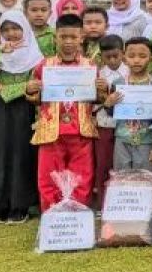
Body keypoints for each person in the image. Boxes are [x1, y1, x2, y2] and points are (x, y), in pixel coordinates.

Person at [26, 13, 103, 213]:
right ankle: (52, 217)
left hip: (81, 130)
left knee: (82, 177)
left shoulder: (91, 66)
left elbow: (98, 99)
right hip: (51, 131)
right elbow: (34, 99)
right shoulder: (44, 66)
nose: (68, 42)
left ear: (81, 38)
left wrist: (102, 89)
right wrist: (31, 89)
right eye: (63, 37)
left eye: (73, 37)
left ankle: (77, 218)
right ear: (55, 38)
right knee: (48, 176)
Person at [0, 10, 41, 222]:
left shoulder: (35, 56)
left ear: (24, 29)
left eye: (15, 28)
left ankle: (19, 206)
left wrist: (1, 87)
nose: (11, 33)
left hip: (24, 109)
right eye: (5, 30)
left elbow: (34, 85)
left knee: (20, 155)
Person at [106, 37, 152, 172]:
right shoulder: (118, 83)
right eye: (131, 56)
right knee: (121, 179)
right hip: (122, 139)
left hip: (147, 140)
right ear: (124, 59)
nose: (136, 60)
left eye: (142, 56)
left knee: (145, 180)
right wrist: (108, 104)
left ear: (151, 59)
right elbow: (112, 112)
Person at [90, 34, 126, 207]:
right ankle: (103, 203)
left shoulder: (130, 72)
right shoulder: (96, 75)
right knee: (102, 163)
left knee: (121, 164)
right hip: (103, 125)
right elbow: (89, 103)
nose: (112, 60)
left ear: (123, 53)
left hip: (125, 126)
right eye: (107, 57)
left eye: (116, 56)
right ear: (101, 56)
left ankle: (121, 202)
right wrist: (103, 98)